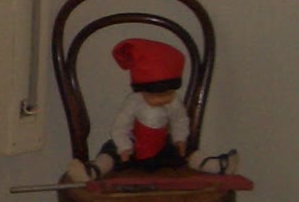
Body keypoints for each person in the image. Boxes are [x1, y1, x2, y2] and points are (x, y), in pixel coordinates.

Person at [64, 37, 202, 183]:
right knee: (110, 149)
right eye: (155, 95)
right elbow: (121, 125)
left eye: (168, 94)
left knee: (187, 150)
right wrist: (124, 146)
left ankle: (207, 163)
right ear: (142, 90)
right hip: (135, 146)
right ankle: (93, 171)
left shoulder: (174, 101)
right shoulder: (134, 102)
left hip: (160, 145)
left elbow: (180, 119)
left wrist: (180, 138)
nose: (162, 100)